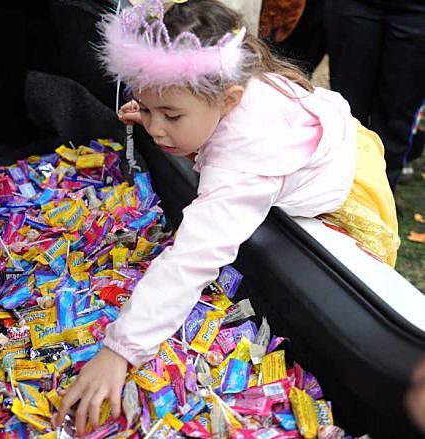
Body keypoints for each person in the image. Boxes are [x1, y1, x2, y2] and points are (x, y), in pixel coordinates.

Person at [53, 0, 400, 435]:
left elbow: (192, 259)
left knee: (364, 288)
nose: (156, 129)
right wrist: (157, 112)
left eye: (171, 116)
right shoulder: (226, 86)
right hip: (322, 138)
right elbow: (188, 115)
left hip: (345, 191)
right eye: (147, 108)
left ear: (229, 99)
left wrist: (119, 352)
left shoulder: (242, 164)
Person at [324, 0, 425, 190]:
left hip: (417, 15)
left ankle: (378, 202)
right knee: (346, 113)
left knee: (396, 121)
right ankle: (335, 197)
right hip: (354, 5)